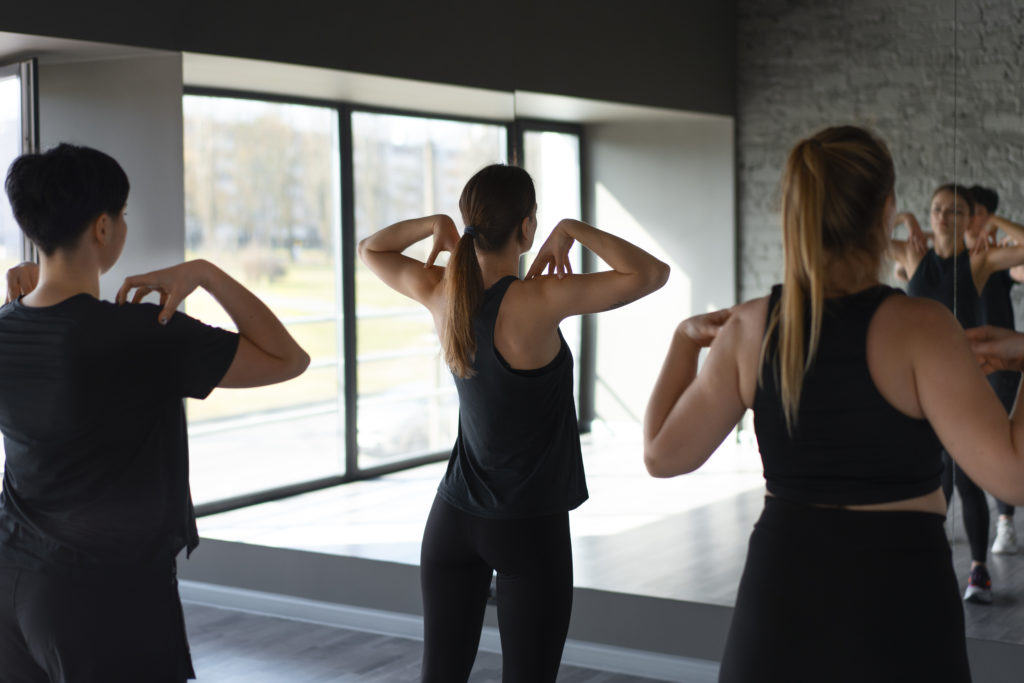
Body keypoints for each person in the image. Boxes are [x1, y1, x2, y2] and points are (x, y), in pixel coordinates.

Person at [643, 125, 1024, 682]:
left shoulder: (748, 328)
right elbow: (1013, 478)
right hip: (900, 599)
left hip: (780, 596)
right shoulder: (921, 328)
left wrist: (683, 341)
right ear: (886, 211)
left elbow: (661, 454)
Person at [0, 143, 310, 682]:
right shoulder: (142, 334)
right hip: (104, 594)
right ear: (103, 228)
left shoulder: (5, 326)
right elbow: (288, 359)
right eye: (122, 216)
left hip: (12, 579)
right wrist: (206, 275)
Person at [358, 164, 668, 683]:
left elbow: (371, 248)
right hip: (528, 526)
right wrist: (571, 230)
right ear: (526, 229)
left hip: (452, 521)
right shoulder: (536, 301)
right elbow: (650, 274)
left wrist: (432, 224)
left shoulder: (440, 290)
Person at [889, 183, 1024, 602]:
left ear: (968, 219)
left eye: (954, 211)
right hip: (915, 388)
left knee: (966, 481)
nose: (944, 217)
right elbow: (857, 235)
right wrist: (904, 219)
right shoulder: (914, 255)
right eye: (936, 210)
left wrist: (993, 222)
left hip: (962, 384)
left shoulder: (979, 260)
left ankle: (979, 573)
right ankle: (930, 568)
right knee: (932, 482)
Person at [967, 185, 1021, 555]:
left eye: (976, 214)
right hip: (959, 358)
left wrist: (993, 222)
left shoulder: (999, 258)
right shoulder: (949, 258)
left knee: (1004, 441)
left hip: (1001, 362)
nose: (970, 221)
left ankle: (1005, 524)